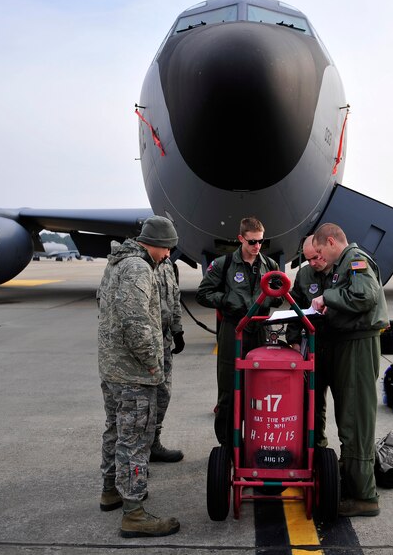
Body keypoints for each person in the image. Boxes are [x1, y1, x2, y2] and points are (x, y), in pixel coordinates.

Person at [96, 216, 181, 538]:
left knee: (115, 431)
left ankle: (110, 491)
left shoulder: (117, 263)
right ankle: (134, 513)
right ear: (157, 244)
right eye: (168, 249)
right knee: (135, 440)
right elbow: (136, 323)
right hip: (133, 373)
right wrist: (152, 364)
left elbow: (103, 307)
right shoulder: (138, 268)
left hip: (113, 368)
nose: (168, 256)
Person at [310, 223, 388, 518]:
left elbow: (364, 297)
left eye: (319, 252)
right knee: (349, 418)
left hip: (358, 346)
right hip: (348, 344)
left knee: (355, 420)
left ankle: (364, 497)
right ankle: (354, 480)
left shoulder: (356, 261)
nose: (320, 258)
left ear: (331, 242)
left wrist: (327, 298)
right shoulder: (344, 263)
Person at [196, 217, 282, 448]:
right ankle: (227, 446)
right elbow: (203, 293)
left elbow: (280, 295)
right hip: (233, 330)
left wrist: (276, 294)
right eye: (252, 242)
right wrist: (226, 299)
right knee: (229, 390)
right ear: (241, 238)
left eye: (261, 241)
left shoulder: (270, 264)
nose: (257, 247)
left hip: (259, 331)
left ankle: (256, 441)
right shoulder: (223, 264)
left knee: (260, 390)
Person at [285, 235, 333, 448]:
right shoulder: (305, 274)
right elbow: (295, 305)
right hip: (313, 344)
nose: (313, 263)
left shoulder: (342, 269)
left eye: (316, 257)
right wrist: (293, 340)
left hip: (338, 343)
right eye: (308, 259)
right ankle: (316, 446)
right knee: (312, 400)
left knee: (345, 404)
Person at [151, 257, 185, 462]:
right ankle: (136, 454)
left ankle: (153, 443)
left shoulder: (167, 265)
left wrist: (177, 330)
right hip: (146, 343)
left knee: (163, 394)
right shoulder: (139, 266)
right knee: (141, 402)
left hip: (164, 341)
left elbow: (174, 299)